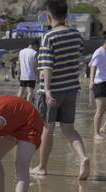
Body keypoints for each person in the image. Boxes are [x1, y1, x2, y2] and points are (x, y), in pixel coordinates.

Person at [31, 0, 90, 180]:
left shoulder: (49, 37)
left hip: (53, 90)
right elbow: (76, 61)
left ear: (48, 16)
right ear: (66, 15)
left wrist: (47, 90)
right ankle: (83, 158)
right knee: (69, 128)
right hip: (71, 88)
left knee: (47, 128)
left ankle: (42, 167)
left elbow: (47, 66)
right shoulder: (77, 35)